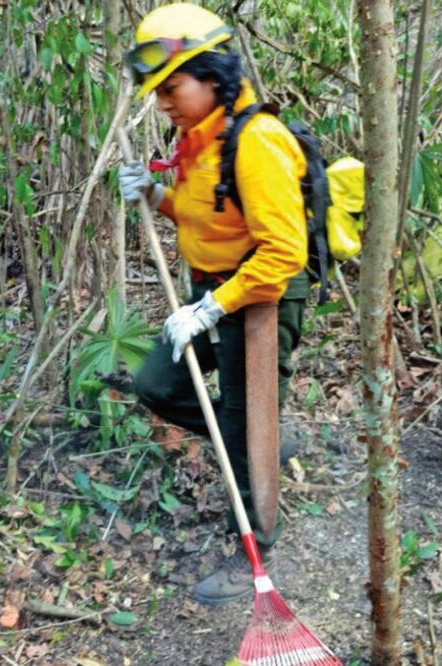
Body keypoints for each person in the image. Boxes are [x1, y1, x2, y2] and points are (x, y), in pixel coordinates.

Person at [118, 3, 311, 606]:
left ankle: (255, 550)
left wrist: (212, 308)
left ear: (212, 75)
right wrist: (156, 194)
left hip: (259, 300)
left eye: (171, 88)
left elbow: (283, 252)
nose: (163, 103)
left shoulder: (257, 142)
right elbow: (205, 215)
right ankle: (261, 442)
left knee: (245, 427)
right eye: (157, 92)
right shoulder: (199, 139)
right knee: (158, 384)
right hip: (212, 291)